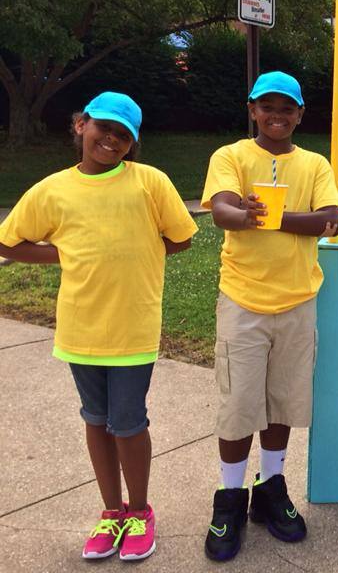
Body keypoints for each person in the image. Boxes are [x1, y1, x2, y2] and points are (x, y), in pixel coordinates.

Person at [0, 92, 197, 561]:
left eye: (124, 135)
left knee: (127, 423)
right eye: (104, 128)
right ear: (80, 125)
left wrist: (139, 255)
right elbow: (11, 242)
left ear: (133, 143)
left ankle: (140, 512)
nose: (112, 139)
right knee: (96, 420)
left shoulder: (149, 182)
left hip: (133, 326)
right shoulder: (53, 190)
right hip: (81, 328)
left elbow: (182, 237)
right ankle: (112, 511)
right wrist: (66, 254)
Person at [201, 71, 338, 561]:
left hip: (297, 300)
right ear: (253, 110)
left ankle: (271, 486)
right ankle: (230, 498)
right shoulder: (232, 156)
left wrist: (268, 217)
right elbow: (221, 209)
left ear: (300, 114)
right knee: (239, 404)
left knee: (282, 403)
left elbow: (329, 220)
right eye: (268, 107)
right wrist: (246, 214)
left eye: (288, 108)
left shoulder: (315, 163)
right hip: (243, 300)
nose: (277, 116)